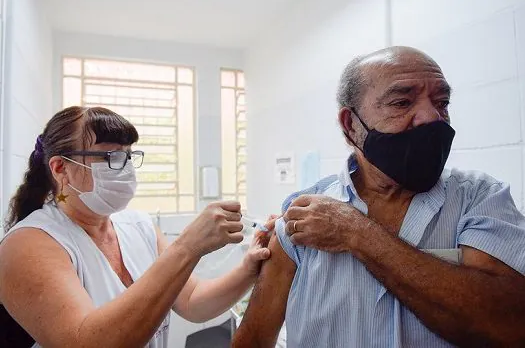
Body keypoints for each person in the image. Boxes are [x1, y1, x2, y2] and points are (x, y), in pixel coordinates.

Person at [232, 46, 525, 347]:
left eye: (442, 102)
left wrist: (357, 232)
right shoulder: (302, 219)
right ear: (351, 125)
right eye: (402, 102)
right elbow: (252, 340)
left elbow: (510, 326)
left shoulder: (480, 199)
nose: (431, 117)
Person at [0, 106, 271, 348]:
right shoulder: (28, 244)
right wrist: (188, 247)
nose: (126, 167)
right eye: (110, 156)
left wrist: (249, 268)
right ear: (61, 168)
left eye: (128, 155)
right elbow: (85, 343)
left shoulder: (138, 225)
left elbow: (192, 301)